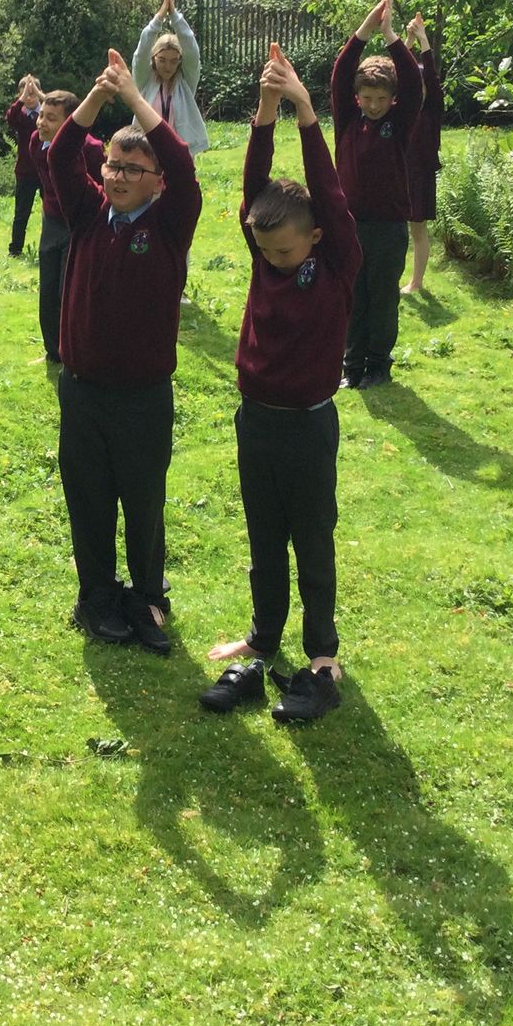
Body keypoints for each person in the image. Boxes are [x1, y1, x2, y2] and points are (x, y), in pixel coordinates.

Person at [207, 46, 360, 718]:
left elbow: (327, 192)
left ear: (317, 239)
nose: (270, 260)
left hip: (307, 423)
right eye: (263, 249)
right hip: (256, 419)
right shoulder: (268, 253)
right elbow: (253, 190)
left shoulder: (335, 266)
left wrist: (304, 112)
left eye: (284, 251)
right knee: (264, 538)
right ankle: (263, 638)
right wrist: (264, 114)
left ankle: (321, 649)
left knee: (311, 536)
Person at [52, 48, 203, 653]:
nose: (115, 176)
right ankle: (96, 596)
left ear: (156, 181)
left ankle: (146, 596)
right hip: (84, 391)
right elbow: (63, 153)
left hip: (143, 396)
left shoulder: (169, 223)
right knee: (87, 496)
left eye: (131, 169)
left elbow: (183, 164)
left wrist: (137, 100)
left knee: (143, 500)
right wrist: (98, 95)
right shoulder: (87, 213)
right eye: (112, 165)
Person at [329, 0, 424, 389]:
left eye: (381, 99)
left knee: (382, 297)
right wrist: (364, 30)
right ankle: (351, 366)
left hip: (388, 228)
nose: (373, 105)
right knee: (353, 297)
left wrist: (390, 36)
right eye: (367, 98)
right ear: (356, 98)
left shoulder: (399, 123)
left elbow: (416, 86)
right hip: (350, 224)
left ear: (392, 100)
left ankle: (378, 365)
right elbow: (340, 72)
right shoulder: (348, 119)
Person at [26, 89, 105, 362]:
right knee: (48, 288)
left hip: (79, 226)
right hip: (52, 222)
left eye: (50, 118)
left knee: (69, 291)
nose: (41, 123)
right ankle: (52, 351)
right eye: (41, 116)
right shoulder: (36, 142)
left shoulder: (92, 149)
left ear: (70, 122)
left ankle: (72, 350)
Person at [133, 0, 209, 156]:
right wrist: (159, 18)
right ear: (153, 59)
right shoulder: (145, 79)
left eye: (174, 61)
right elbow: (141, 52)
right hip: (146, 151)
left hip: (178, 151)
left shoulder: (186, 81)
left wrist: (175, 16)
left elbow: (191, 49)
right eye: (162, 60)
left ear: (180, 61)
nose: (168, 67)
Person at [402, 14, 443, 297]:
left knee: (418, 230)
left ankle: (416, 282)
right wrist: (407, 41)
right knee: (393, 230)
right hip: (396, 172)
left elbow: (429, 74)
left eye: (422, 85)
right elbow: (394, 70)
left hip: (419, 174)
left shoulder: (432, 109)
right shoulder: (400, 109)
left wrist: (424, 41)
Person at [5, 74, 43, 258]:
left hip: (46, 170)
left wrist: (39, 93)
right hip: (25, 172)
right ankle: (15, 249)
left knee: (52, 211)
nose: (29, 98)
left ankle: (51, 246)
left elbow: (60, 108)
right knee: (21, 213)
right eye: (25, 94)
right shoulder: (19, 116)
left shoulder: (45, 113)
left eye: (32, 94)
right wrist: (21, 99)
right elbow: (10, 118)